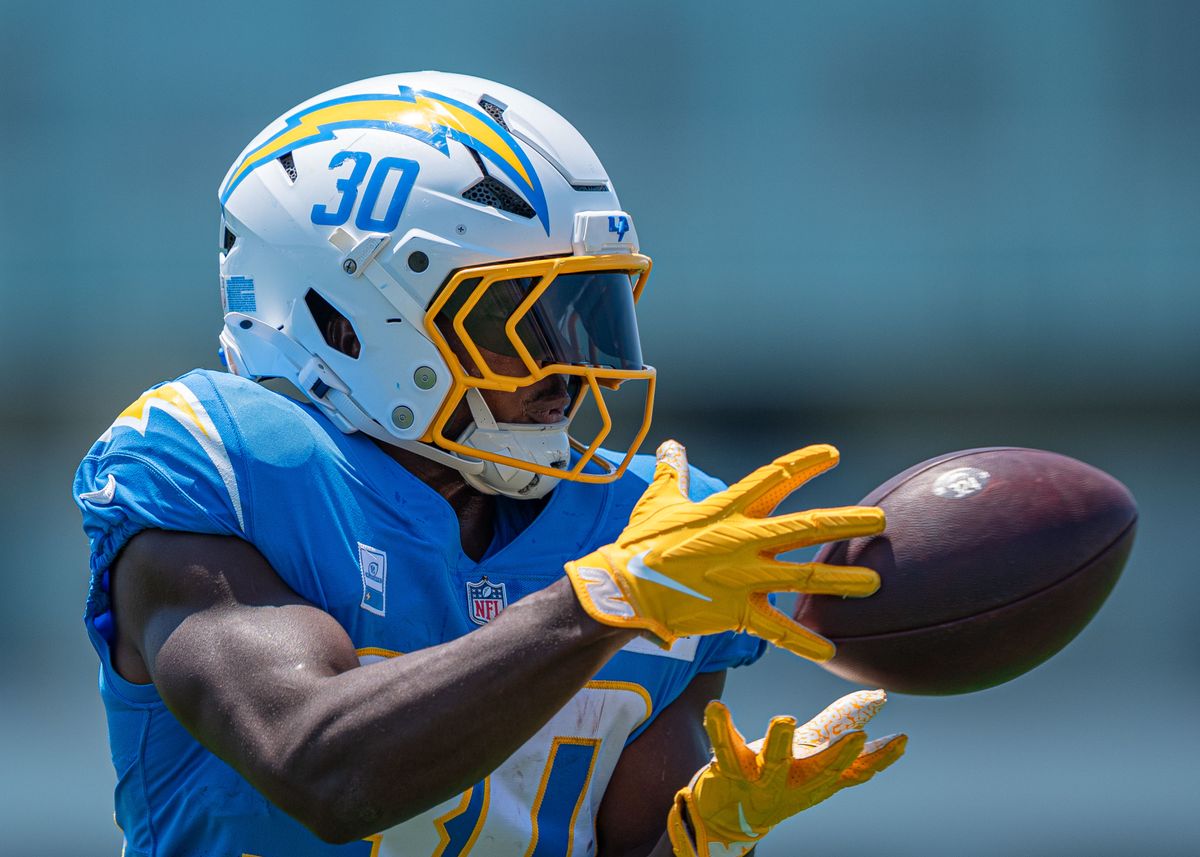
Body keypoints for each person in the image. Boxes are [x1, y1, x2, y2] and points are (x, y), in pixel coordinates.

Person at [74, 72, 906, 857]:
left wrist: (710, 837)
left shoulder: (641, 522)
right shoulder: (219, 469)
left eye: (586, 314)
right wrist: (604, 602)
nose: (571, 369)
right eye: (519, 316)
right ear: (343, 315)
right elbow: (320, 765)